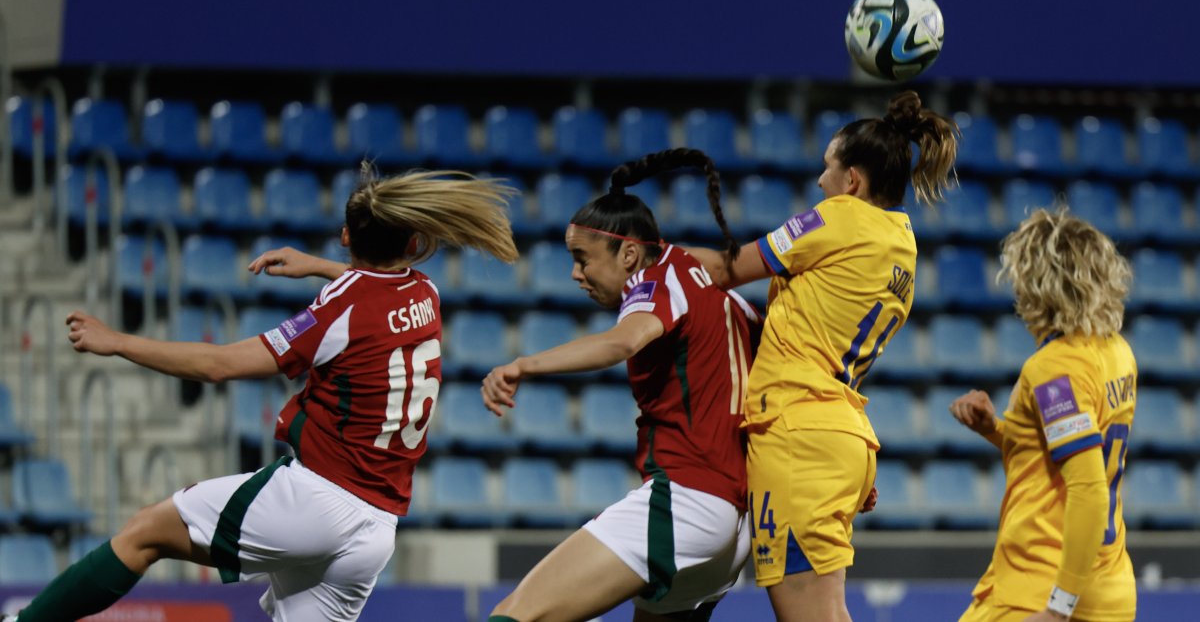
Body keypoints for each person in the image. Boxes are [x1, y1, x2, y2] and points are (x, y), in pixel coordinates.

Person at [13, 167, 517, 622]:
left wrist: (117, 341)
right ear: (412, 244)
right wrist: (318, 266)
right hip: (376, 527)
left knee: (146, 532)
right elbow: (371, 291)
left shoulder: (340, 310)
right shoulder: (424, 294)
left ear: (346, 236)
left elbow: (218, 365)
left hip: (317, 500)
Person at [685, 90, 959, 622]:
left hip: (798, 435)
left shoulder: (838, 218)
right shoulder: (902, 245)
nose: (819, 182)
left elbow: (726, 270)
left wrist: (649, 256)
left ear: (851, 180)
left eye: (827, 168)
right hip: (841, 437)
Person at [481, 149, 760, 622]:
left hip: (687, 502)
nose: (575, 274)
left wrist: (524, 365)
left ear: (629, 252)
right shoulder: (729, 299)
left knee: (517, 615)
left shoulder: (657, 279)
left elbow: (625, 340)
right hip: (737, 528)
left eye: (582, 258)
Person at [950, 208, 1136, 622]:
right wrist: (998, 431)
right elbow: (1065, 453)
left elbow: (1088, 487)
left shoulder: (1054, 368)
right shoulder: (1118, 353)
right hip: (1112, 593)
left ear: (1036, 285)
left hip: (1036, 590)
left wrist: (1058, 608)